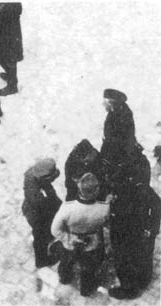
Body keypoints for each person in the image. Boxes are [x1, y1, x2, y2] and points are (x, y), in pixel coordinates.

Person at [51, 173, 110, 296]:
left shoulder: (67, 208)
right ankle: (86, 290)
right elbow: (106, 223)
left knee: (66, 262)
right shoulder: (104, 208)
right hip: (91, 243)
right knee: (89, 269)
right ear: (96, 190)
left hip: (70, 243)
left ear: (80, 188)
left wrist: (69, 238)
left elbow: (55, 230)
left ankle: (65, 278)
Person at [106, 142, 153, 299]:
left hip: (126, 231)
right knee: (143, 257)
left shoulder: (126, 192)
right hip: (141, 231)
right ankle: (144, 280)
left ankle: (128, 289)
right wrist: (151, 230)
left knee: (123, 259)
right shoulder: (144, 184)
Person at [22, 158, 62, 268]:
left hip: (40, 208)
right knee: (40, 238)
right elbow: (41, 207)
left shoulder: (33, 173)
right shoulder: (34, 194)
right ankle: (41, 260)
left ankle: (48, 236)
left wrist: (55, 200)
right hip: (36, 215)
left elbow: (47, 186)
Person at [0, 3, 23, 96]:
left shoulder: (10, 7)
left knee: (9, 59)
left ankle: (12, 85)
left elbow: (1, 15)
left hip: (9, 37)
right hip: (2, 34)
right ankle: (9, 75)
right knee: (1, 56)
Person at [100, 89, 136, 165]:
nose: (103, 104)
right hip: (113, 151)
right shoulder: (112, 113)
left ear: (111, 102)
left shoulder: (124, 115)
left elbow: (125, 140)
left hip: (121, 155)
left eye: (105, 101)